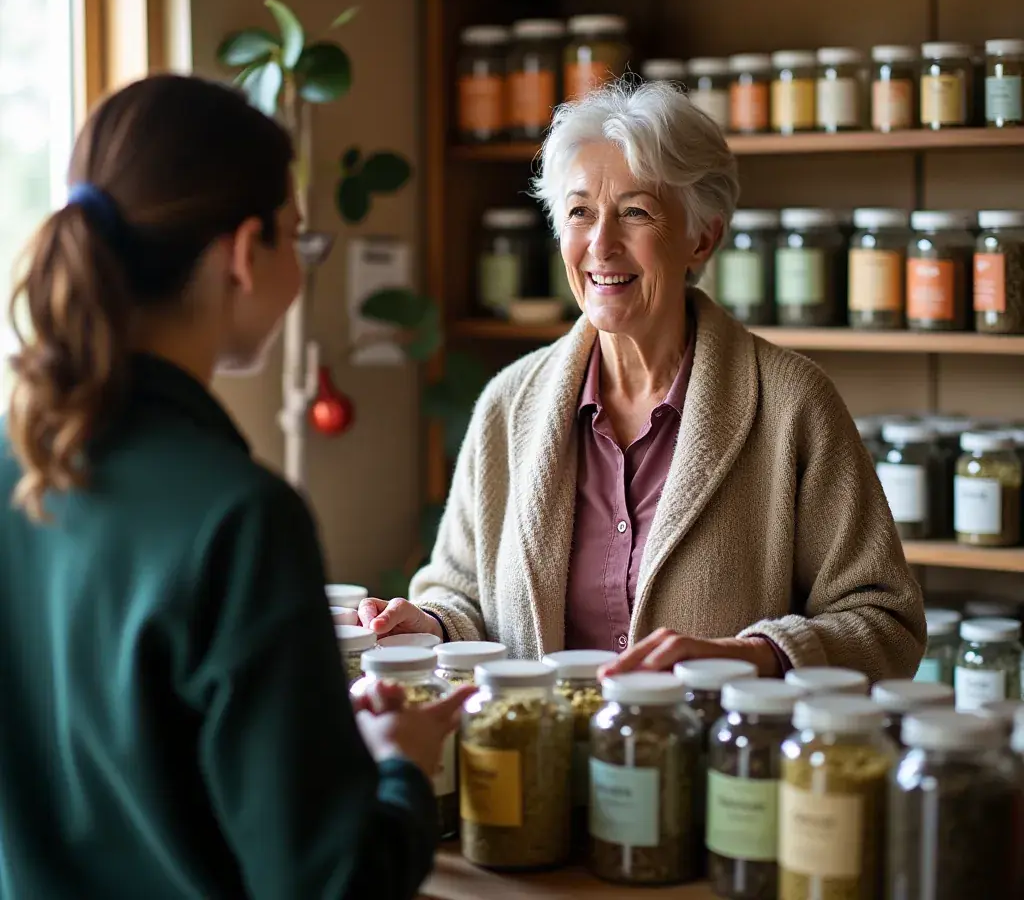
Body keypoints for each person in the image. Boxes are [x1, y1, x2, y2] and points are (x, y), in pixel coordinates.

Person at [0, 74, 470, 899]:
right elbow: (330, 884)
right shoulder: (242, 519)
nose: (299, 259)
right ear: (246, 252)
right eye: (297, 234)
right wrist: (401, 770)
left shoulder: (21, 467)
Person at [360, 80, 926, 681]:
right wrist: (429, 622)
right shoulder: (508, 404)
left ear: (701, 236)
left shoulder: (793, 405)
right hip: (535, 762)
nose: (601, 245)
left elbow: (886, 622)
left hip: (723, 766)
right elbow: (462, 594)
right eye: (579, 212)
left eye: (635, 212)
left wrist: (753, 657)